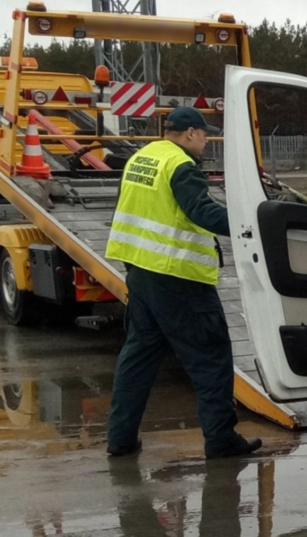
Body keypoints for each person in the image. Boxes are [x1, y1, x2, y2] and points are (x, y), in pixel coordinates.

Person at [105, 107, 262, 459]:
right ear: (190, 133)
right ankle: (221, 440)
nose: (206, 141)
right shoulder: (181, 165)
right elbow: (200, 212)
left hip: (141, 273)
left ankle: (121, 438)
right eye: (204, 134)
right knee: (210, 357)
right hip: (178, 277)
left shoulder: (141, 158)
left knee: (138, 358)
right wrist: (250, 224)